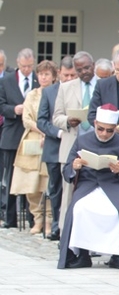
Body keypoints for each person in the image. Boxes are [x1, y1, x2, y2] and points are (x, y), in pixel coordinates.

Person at [57, 103, 119, 270]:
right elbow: (67, 170)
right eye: (101, 129)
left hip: (115, 185)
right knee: (78, 208)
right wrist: (75, 166)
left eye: (109, 131)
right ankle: (81, 255)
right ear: (95, 124)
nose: (104, 134)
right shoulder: (82, 140)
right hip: (88, 184)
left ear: (115, 128)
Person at [52, 51, 97, 234]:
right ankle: (65, 233)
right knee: (68, 193)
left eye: (86, 68)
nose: (83, 72)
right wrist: (67, 121)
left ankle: (90, 235)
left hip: (96, 145)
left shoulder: (103, 85)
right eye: (79, 69)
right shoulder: (66, 87)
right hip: (72, 143)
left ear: (92, 65)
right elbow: (56, 117)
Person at [10, 60, 57, 235]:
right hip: (32, 139)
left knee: (47, 182)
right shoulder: (32, 95)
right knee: (31, 183)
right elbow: (27, 119)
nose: (43, 77)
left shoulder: (56, 93)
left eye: (47, 74)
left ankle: (48, 220)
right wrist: (41, 130)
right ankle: (37, 219)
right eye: (41, 74)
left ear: (53, 76)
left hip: (50, 139)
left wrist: (48, 132)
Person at [36, 55, 77, 240]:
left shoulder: (79, 90)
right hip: (54, 145)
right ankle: (55, 225)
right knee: (55, 188)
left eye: (72, 76)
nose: (69, 79)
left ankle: (68, 224)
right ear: (59, 73)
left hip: (74, 146)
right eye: (66, 75)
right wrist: (58, 132)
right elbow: (42, 120)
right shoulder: (49, 92)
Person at [0, 48, 40, 228]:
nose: (26, 69)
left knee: (30, 176)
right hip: (12, 133)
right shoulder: (7, 80)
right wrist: (13, 110)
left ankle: (32, 218)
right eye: (24, 66)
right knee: (9, 177)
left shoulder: (38, 79)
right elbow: (1, 104)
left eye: (30, 66)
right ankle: (10, 218)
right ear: (17, 64)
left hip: (31, 135)